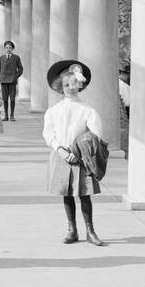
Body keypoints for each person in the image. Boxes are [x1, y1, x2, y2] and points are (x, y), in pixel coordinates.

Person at [43, 59, 107, 247]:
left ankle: (90, 230)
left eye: (74, 84)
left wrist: (78, 150)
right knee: (67, 194)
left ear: (80, 85)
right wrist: (60, 150)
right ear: (60, 86)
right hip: (62, 156)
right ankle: (72, 229)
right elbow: (48, 133)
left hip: (82, 158)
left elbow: (95, 134)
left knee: (84, 194)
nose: (70, 88)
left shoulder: (88, 110)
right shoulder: (53, 111)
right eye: (66, 85)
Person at [0, 40, 23, 120]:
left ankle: (12, 115)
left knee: (12, 99)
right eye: (6, 47)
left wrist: (16, 76)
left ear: (12, 49)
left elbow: (20, 68)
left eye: (10, 48)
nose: (8, 49)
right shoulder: (1, 58)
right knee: (5, 99)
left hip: (12, 81)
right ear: (4, 48)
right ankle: (6, 115)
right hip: (3, 81)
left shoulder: (16, 58)